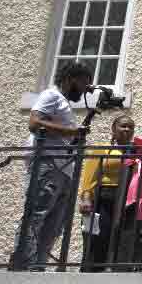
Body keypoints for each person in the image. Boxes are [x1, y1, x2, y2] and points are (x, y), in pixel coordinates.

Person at [12, 60, 93, 271]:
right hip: (48, 165)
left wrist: (76, 134)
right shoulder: (51, 95)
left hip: (63, 170)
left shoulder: (63, 103)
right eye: (84, 83)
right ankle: (24, 267)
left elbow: (64, 139)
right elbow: (34, 123)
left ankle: (36, 268)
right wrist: (72, 132)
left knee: (53, 226)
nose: (86, 89)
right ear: (70, 79)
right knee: (36, 215)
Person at [78, 115, 142, 272]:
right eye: (123, 126)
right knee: (99, 239)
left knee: (125, 241)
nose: (127, 129)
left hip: (129, 202)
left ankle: (119, 276)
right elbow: (90, 176)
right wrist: (86, 198)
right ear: (113, 130)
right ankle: (91, 276)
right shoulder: (103, 149)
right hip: (105, 198)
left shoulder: (136, 152)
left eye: (130, 127)